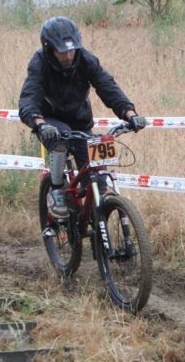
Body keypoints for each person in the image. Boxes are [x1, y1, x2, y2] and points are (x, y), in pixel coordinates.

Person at [18, 16, 145, 219]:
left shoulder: (85, 59)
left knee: (99, 182)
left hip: (80, 121)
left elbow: (107, 86)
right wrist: (40, 124)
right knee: (59, 139)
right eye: (62, 52)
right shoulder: (39, 63)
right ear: (49, 48)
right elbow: (28, 99)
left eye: (71, 50)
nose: (68, 56)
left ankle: (97, 220)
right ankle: (57, 190)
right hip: (50, 121)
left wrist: (130, 113)